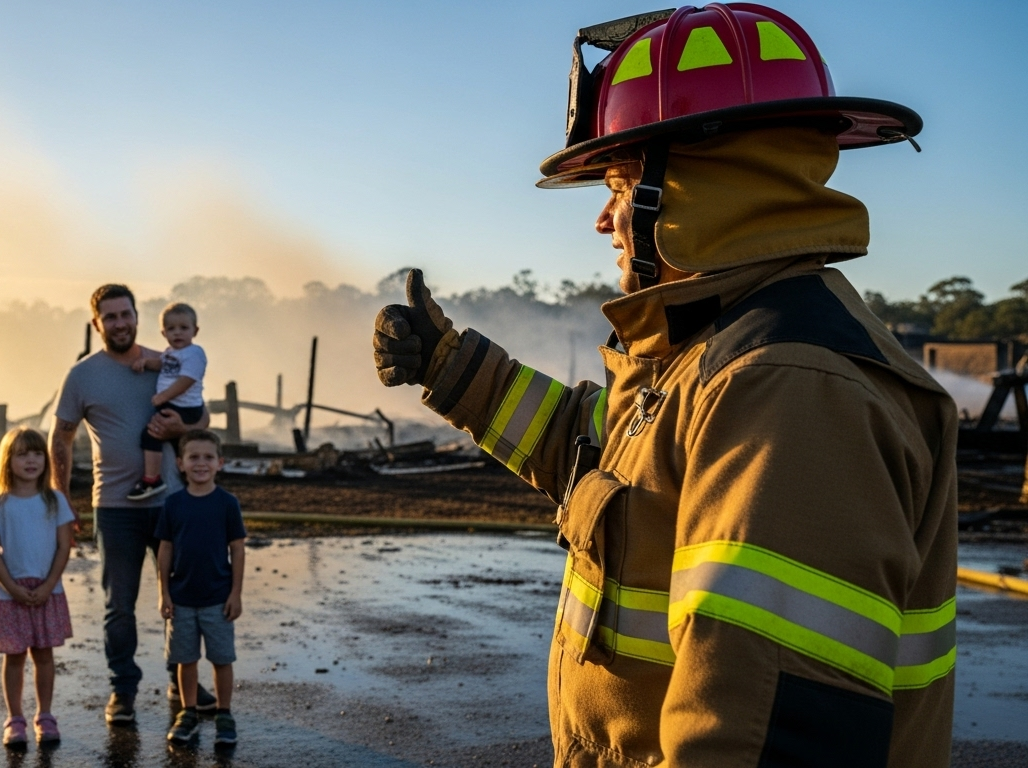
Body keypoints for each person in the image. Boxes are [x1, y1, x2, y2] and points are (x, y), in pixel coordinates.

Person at [373, 6, 957, 767]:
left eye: (616, 183)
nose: (604, 220)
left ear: (690, 190)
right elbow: (609, 459)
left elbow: (758, 739)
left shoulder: (785, 388)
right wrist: (458, 374)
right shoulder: (723, 351)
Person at [50, 284, 215, 725]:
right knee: (119, 605)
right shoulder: (82, 375)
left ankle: (182, 682)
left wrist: (182, 424)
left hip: (173, 503)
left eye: (127, 314)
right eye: (111, 317)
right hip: (115, 506)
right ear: (96, 324)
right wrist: (62, 499)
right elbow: (61, 435)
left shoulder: (169, 360)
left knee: (180, 599)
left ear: (138, 317)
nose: (120, 323)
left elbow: (202, 417)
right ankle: (122, 690)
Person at [0, 427, 76, 747]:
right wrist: (12, 588)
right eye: (22, 454)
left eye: (37, 454)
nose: (31, 460)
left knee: (44, 655)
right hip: (10, 593)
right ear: (8, 461)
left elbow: (64, 547)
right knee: (14, 657)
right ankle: (15, 718)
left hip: (49, 591)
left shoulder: (55, 500)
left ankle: (45, 715)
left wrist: (49, 585)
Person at [155, 429, 245, 746]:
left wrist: (235, 594)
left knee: (222, 659)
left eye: (208, 457)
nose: (201, 463)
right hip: (181, 599)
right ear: (180, 463)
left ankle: (223, 713)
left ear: (220, 463)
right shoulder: (173, 504)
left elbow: (237, 549)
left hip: (218, 599)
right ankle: (188, 712)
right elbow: (164, 550)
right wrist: (163, 592)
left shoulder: (227, 504)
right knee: (185, 659)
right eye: (194, 457)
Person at [127, 302, 209, 501]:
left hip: (184, 407)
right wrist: (146, 363)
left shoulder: (194, 353)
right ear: (163, 333)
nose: (177, 333)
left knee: (151, 436)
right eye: (171, 329)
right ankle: (188, 480)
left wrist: (165, 396)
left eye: (183, 328)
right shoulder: (170, 353)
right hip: (174, 405)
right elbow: (162, 365)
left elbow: (187, 380)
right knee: (179, 447)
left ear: (195, 330)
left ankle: (152, 480)